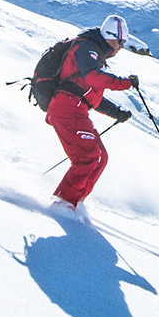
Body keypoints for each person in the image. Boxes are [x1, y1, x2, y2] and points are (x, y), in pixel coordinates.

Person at [44, 14, 139, 210]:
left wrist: (116, 112)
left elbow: (91, 96)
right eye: (120, 41)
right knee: (87, 158)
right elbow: (94, 78)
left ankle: (75, 203)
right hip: (66, 108)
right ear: (109, 36)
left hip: (76, 109)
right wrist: (125, 83)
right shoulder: (87, 48)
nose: (121, 46)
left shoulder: (97, 55)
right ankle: (62, 205)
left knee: (100, 158)